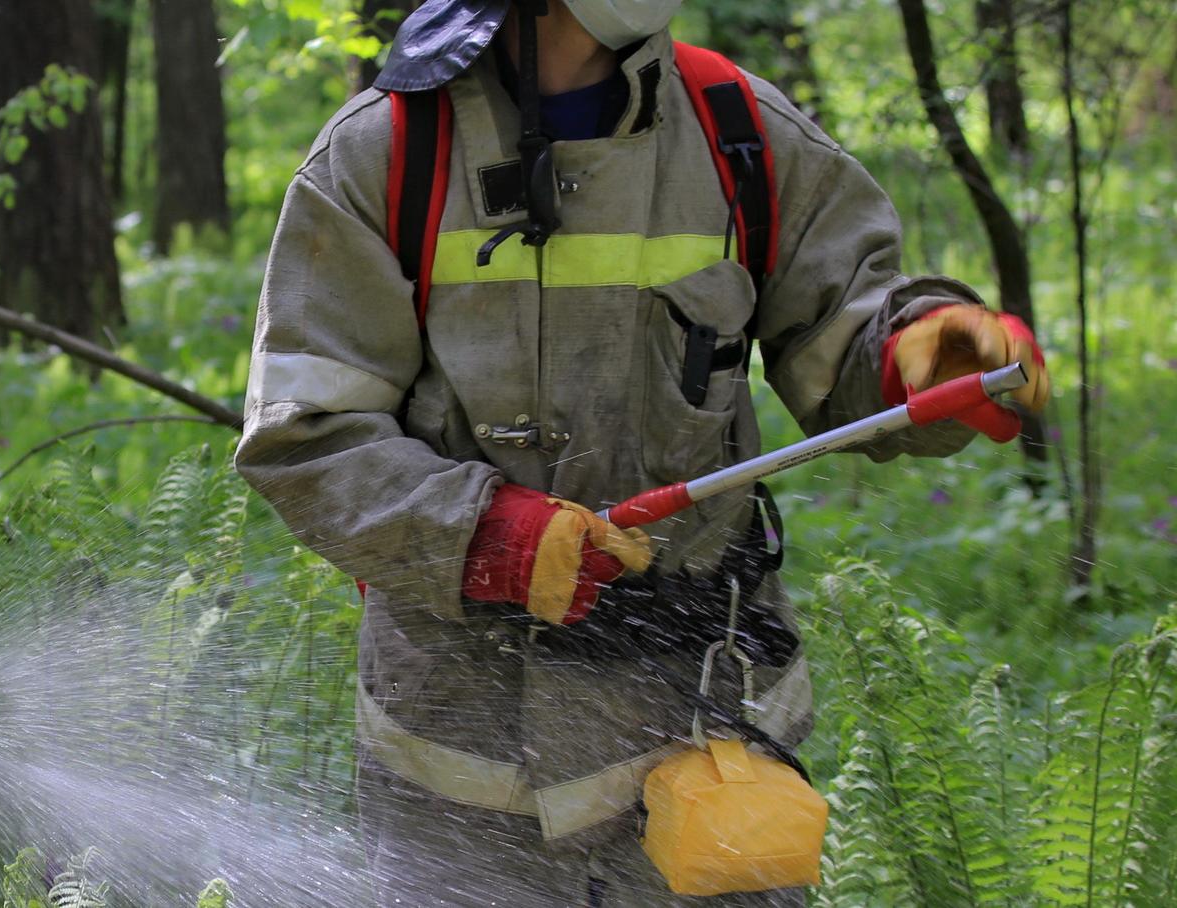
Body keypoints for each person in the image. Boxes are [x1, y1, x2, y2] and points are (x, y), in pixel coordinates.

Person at [234, 0, 1049, 904]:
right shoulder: (385, 153)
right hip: (464, 770)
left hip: (704, 743)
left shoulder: (737, 129)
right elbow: (306, 436)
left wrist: (916, 354)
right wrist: (483, 536)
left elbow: (848, 329)